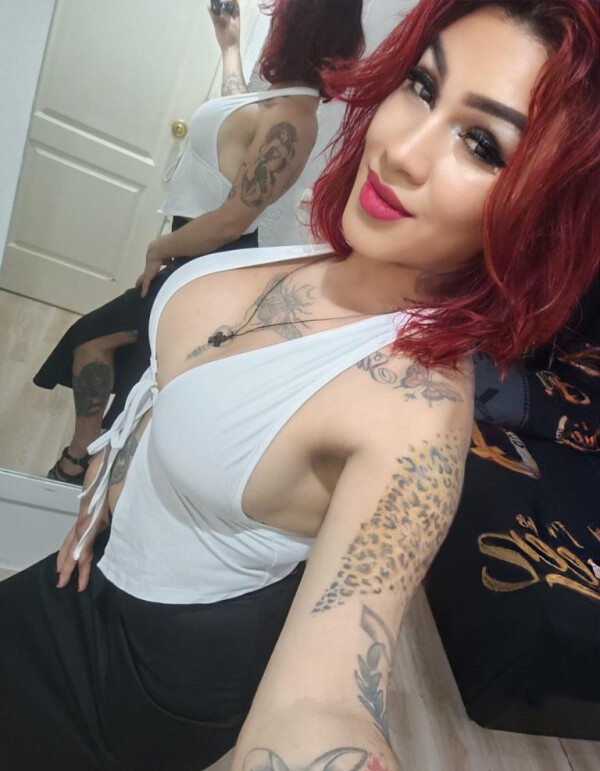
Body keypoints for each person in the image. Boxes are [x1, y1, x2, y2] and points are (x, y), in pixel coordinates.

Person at [1, 1, 598, 770]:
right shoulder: (319, 255)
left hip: (138, 681)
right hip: (90, 575)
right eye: (422, 86)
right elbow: (160, 393)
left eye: (482, 144)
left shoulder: (412, 413)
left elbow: (323, 701)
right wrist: (98, 499)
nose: (402, 151)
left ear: (540, 214)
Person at [34, 0, 365, 485]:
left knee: (102, 346)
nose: (273, 17)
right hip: (194, 256)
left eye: (281, 15)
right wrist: (229, 47)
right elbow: (236, 125)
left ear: (301, 30)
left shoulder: (293, 120)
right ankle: (84, 465)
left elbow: (232, 219)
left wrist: (158, 249)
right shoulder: (279, 101)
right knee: (124, 363)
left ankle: (81, 468)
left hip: (208, 262)